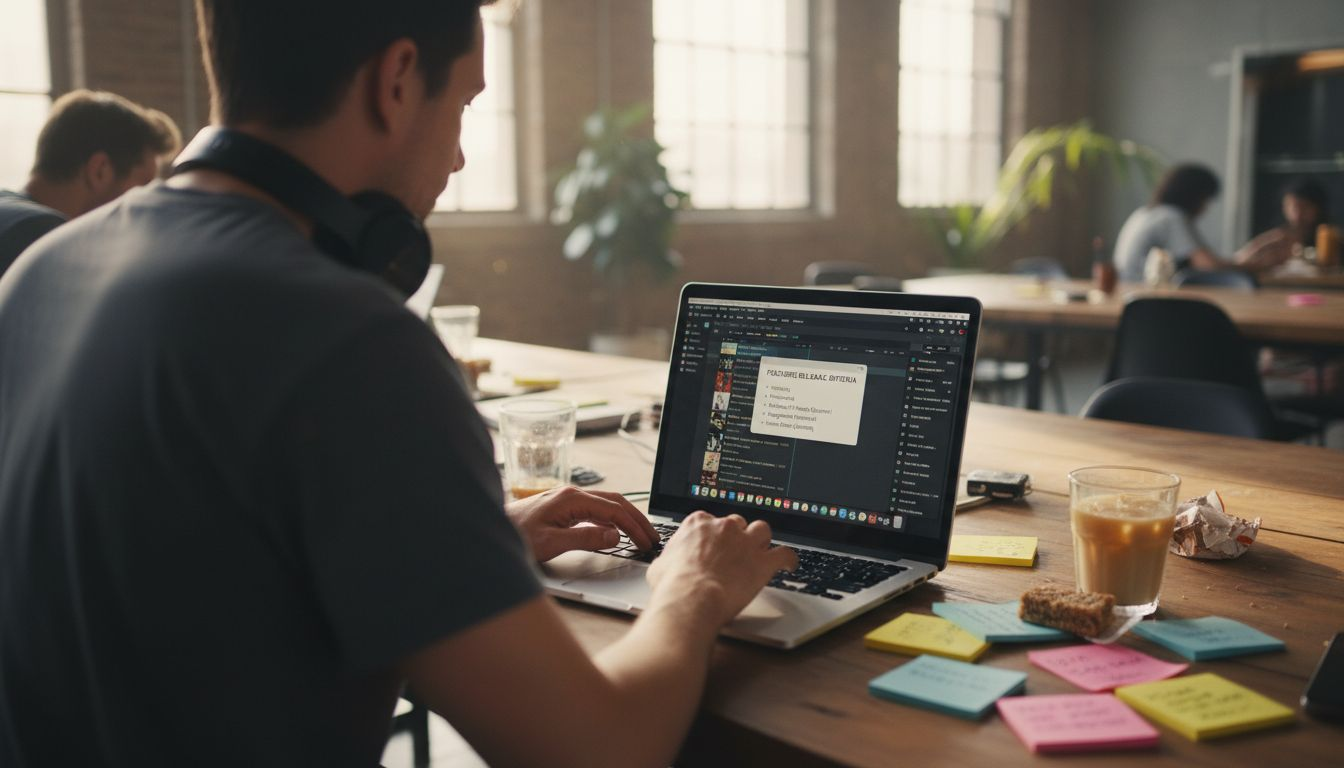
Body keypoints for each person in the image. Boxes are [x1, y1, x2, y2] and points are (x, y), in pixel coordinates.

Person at [0, 2, 796, 767]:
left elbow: (181, 576)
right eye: (465, 104)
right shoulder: (349, 338)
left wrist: (460, 550)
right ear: (398, 79)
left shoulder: (39, 274)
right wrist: (692, 586)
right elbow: (599, 749)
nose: (455, 156)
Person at [0, 89, 181, 277]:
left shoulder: (8, 213)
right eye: (144, 185)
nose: (147, 200)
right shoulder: (42, 235)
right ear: (100, 171)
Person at [1235, 177, 1331, 273]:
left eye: (1305, 207)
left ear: (1318, 208)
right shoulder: (1277, 238)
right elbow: (1240, 259)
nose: (1298, 215)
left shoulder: (1330, 239)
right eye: (1292, 207)